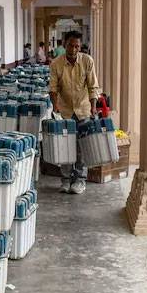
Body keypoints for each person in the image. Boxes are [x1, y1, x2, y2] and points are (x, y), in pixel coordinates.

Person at [49, 30, 99, 194]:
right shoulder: (56, 64)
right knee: (65, 146)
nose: (74, 49)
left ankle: (79, 180)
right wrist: (55, 105)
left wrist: (93, 107)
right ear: (65, 45)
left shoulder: (87, 61)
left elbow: (93, 87)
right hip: (65, 111)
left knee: (81, 147)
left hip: (83, 110)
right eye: (71, 45)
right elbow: (53, 88)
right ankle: (65, 180)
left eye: (77, 46)